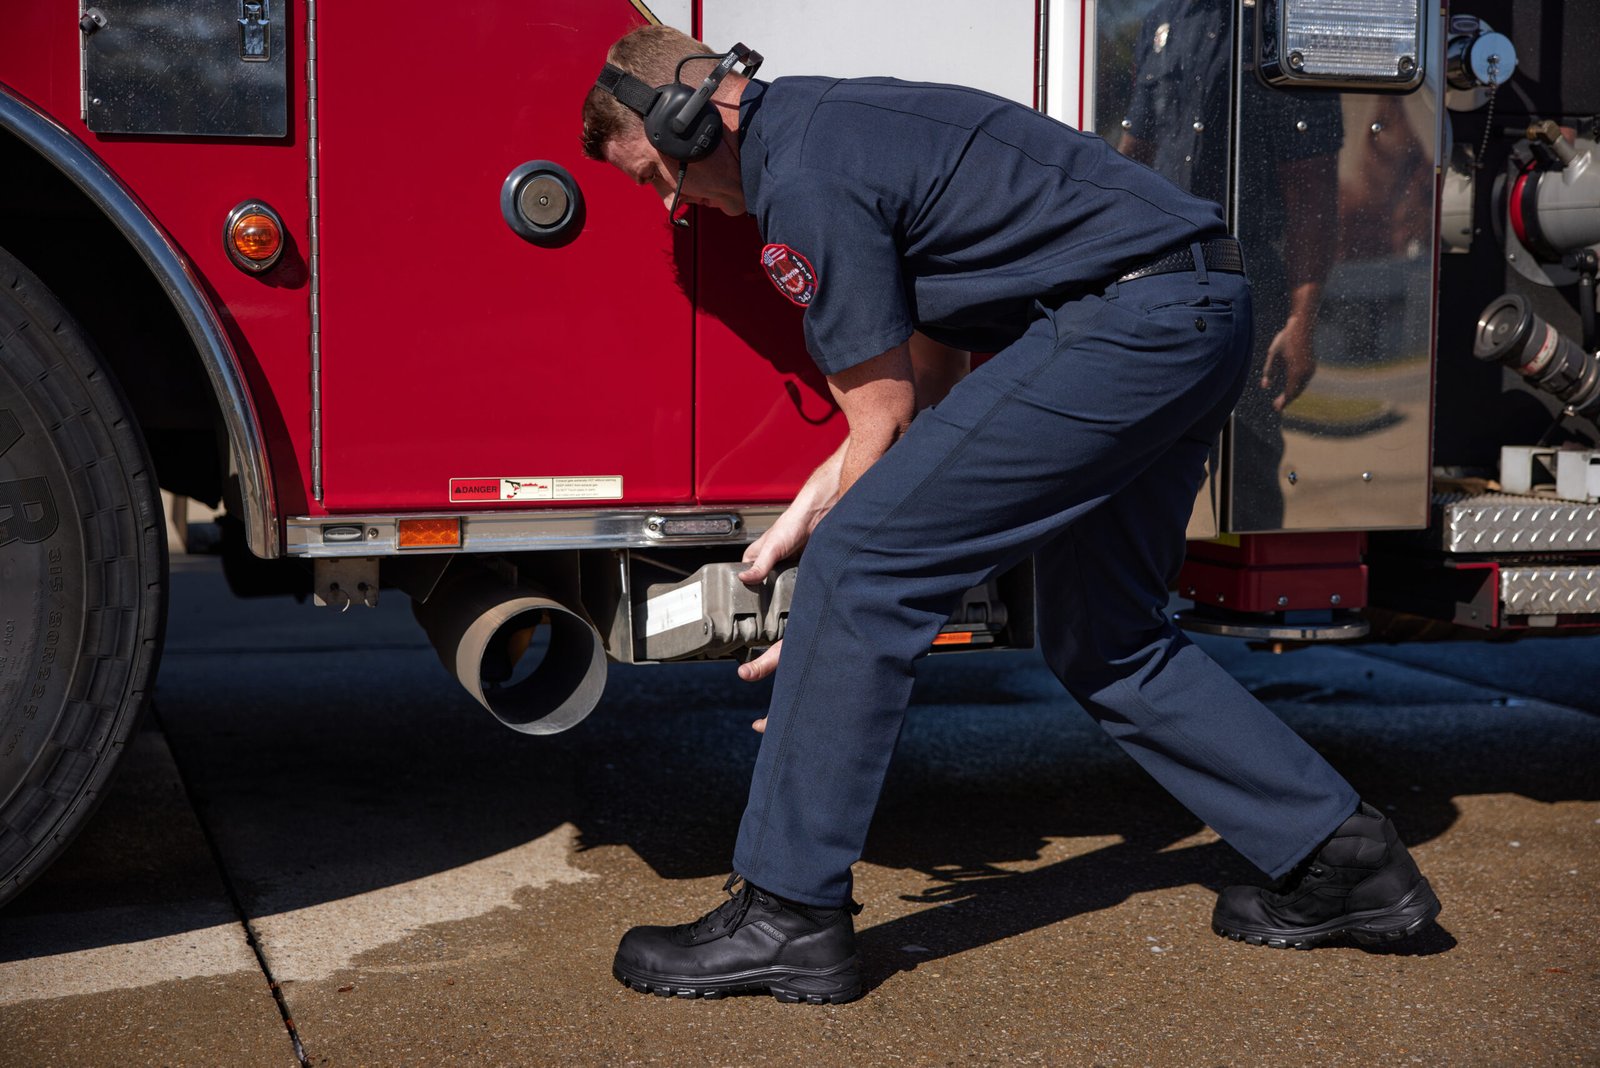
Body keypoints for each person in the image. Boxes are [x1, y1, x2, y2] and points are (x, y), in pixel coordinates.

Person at [579, 25, 1440, 1004]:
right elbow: (922, 380)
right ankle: (1344, 856)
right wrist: (812, 527)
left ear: (693, 117)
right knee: (1103, 635)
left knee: (862, 569)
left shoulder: (801, 182)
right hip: (1193, 309)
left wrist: (829, 606)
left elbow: (884, 423)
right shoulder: (836, 128)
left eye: (657, 175)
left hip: (1127, 325)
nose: (673, 203)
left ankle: (786, 915)